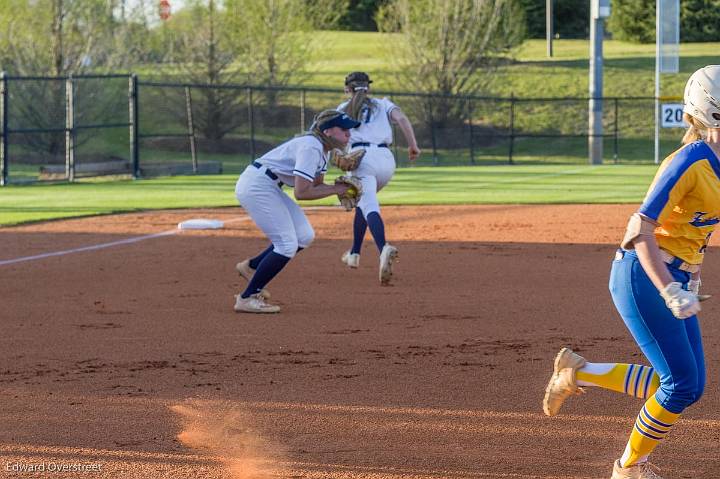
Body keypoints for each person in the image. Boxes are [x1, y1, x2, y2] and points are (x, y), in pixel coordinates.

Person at [543, 65, 720, 479]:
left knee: (687, 384)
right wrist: (669, 290)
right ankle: (628, 468)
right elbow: (638, 229)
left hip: (673, 277)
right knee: (680, 386)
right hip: (643, 275)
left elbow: (697, 229)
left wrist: (690, 278)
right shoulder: (690, 160)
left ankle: (576, 372)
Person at [233, 109, 361, 313]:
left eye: (349, 130)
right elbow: (302, 193)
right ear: (327, 131)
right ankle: (247, 297)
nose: (348, 134)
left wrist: (336, 183)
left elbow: (316, 185)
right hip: (256, 186)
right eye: (344, 129)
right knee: (286, 245)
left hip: (268, 185)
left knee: (304, 236)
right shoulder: (311, 147)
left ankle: (252, 267)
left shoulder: (322, 151)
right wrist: (338, 189)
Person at [337, 71, 421, 285]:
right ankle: (354, 253)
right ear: (369, 88)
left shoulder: (341, 109)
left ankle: (384, 248)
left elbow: (329, 138)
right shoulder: (383, 104)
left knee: (369, 204)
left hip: (361, 159)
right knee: (363, 203)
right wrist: (412, 145)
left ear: (347, 89)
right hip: (386, 159)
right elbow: (402, 118)